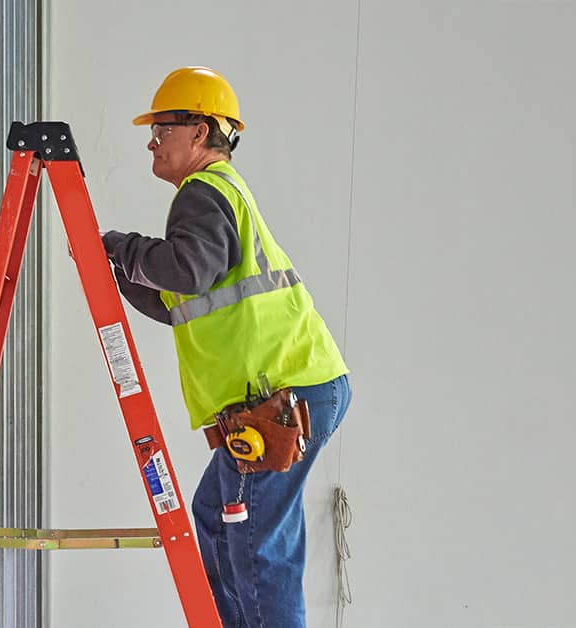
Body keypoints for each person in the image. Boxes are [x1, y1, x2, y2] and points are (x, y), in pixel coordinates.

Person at [100, 66, 352, 628]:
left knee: (258, 544)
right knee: (216, 518)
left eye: (162, 127)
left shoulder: (203, 191)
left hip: (285, 397)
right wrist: (120, 275)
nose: (152, 140)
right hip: (295, 391)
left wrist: (121, 246)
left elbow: (187, 270)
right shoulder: (219, 198)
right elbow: (181, 302)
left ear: (200, 130)